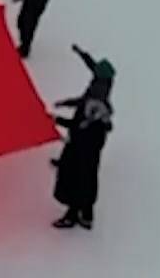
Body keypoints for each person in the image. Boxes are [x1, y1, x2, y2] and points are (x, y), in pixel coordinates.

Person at [53, 95, 113, 230]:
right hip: (86, 163)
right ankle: (86, 216)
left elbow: (80, 133)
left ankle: (72, 216)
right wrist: (58, 120)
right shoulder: (98, 124)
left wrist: (61, 122)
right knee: (86, 186)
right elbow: (77, 126)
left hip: (80, 161)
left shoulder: (96, 127)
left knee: (76, 185)